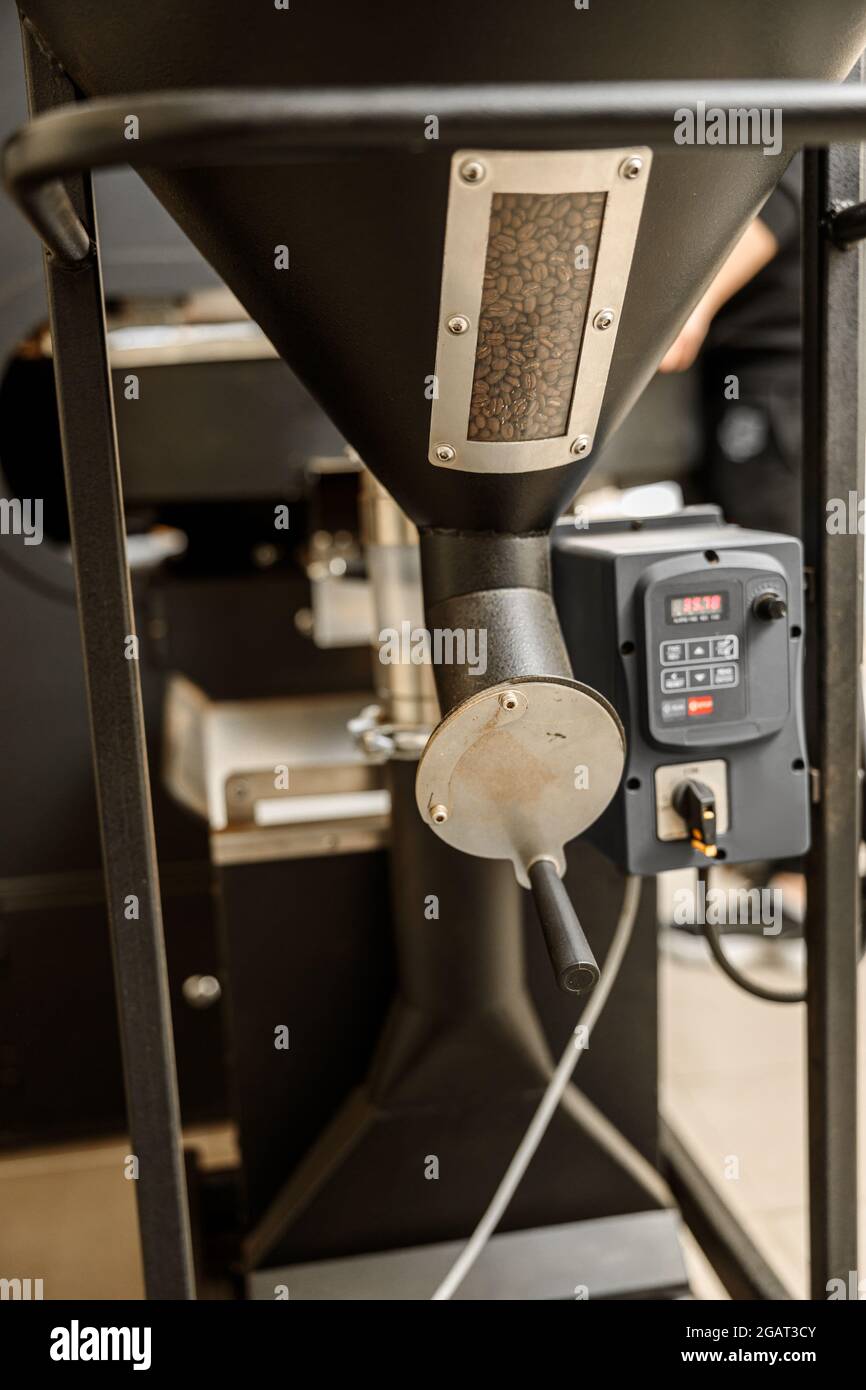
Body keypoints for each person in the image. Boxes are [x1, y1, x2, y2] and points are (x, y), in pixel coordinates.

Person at [659, 155, 802, 538]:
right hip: (733, 367)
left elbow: (778, 198)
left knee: (762, 544)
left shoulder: (786, 113)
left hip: (771, 378)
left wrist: (690, 301)